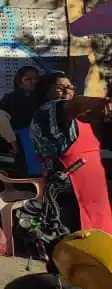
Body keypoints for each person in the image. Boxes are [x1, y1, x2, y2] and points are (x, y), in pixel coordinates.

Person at [28, 71, 112, 235]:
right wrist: (103, 101)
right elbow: (74, 104)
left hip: (92, 189)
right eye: (60, 87)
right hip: (67, 191)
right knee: (77, 241)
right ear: (46, 91)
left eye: (71, 87)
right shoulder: (49, 109)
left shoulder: (76, 117)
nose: (67, 91)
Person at [0, 64, 41, 175]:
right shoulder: (11, 97)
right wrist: (13, 143)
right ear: (20, 81)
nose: (33, 82)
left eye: (36, 78)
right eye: (28, 79)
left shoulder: (42, 97)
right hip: (20, 140)